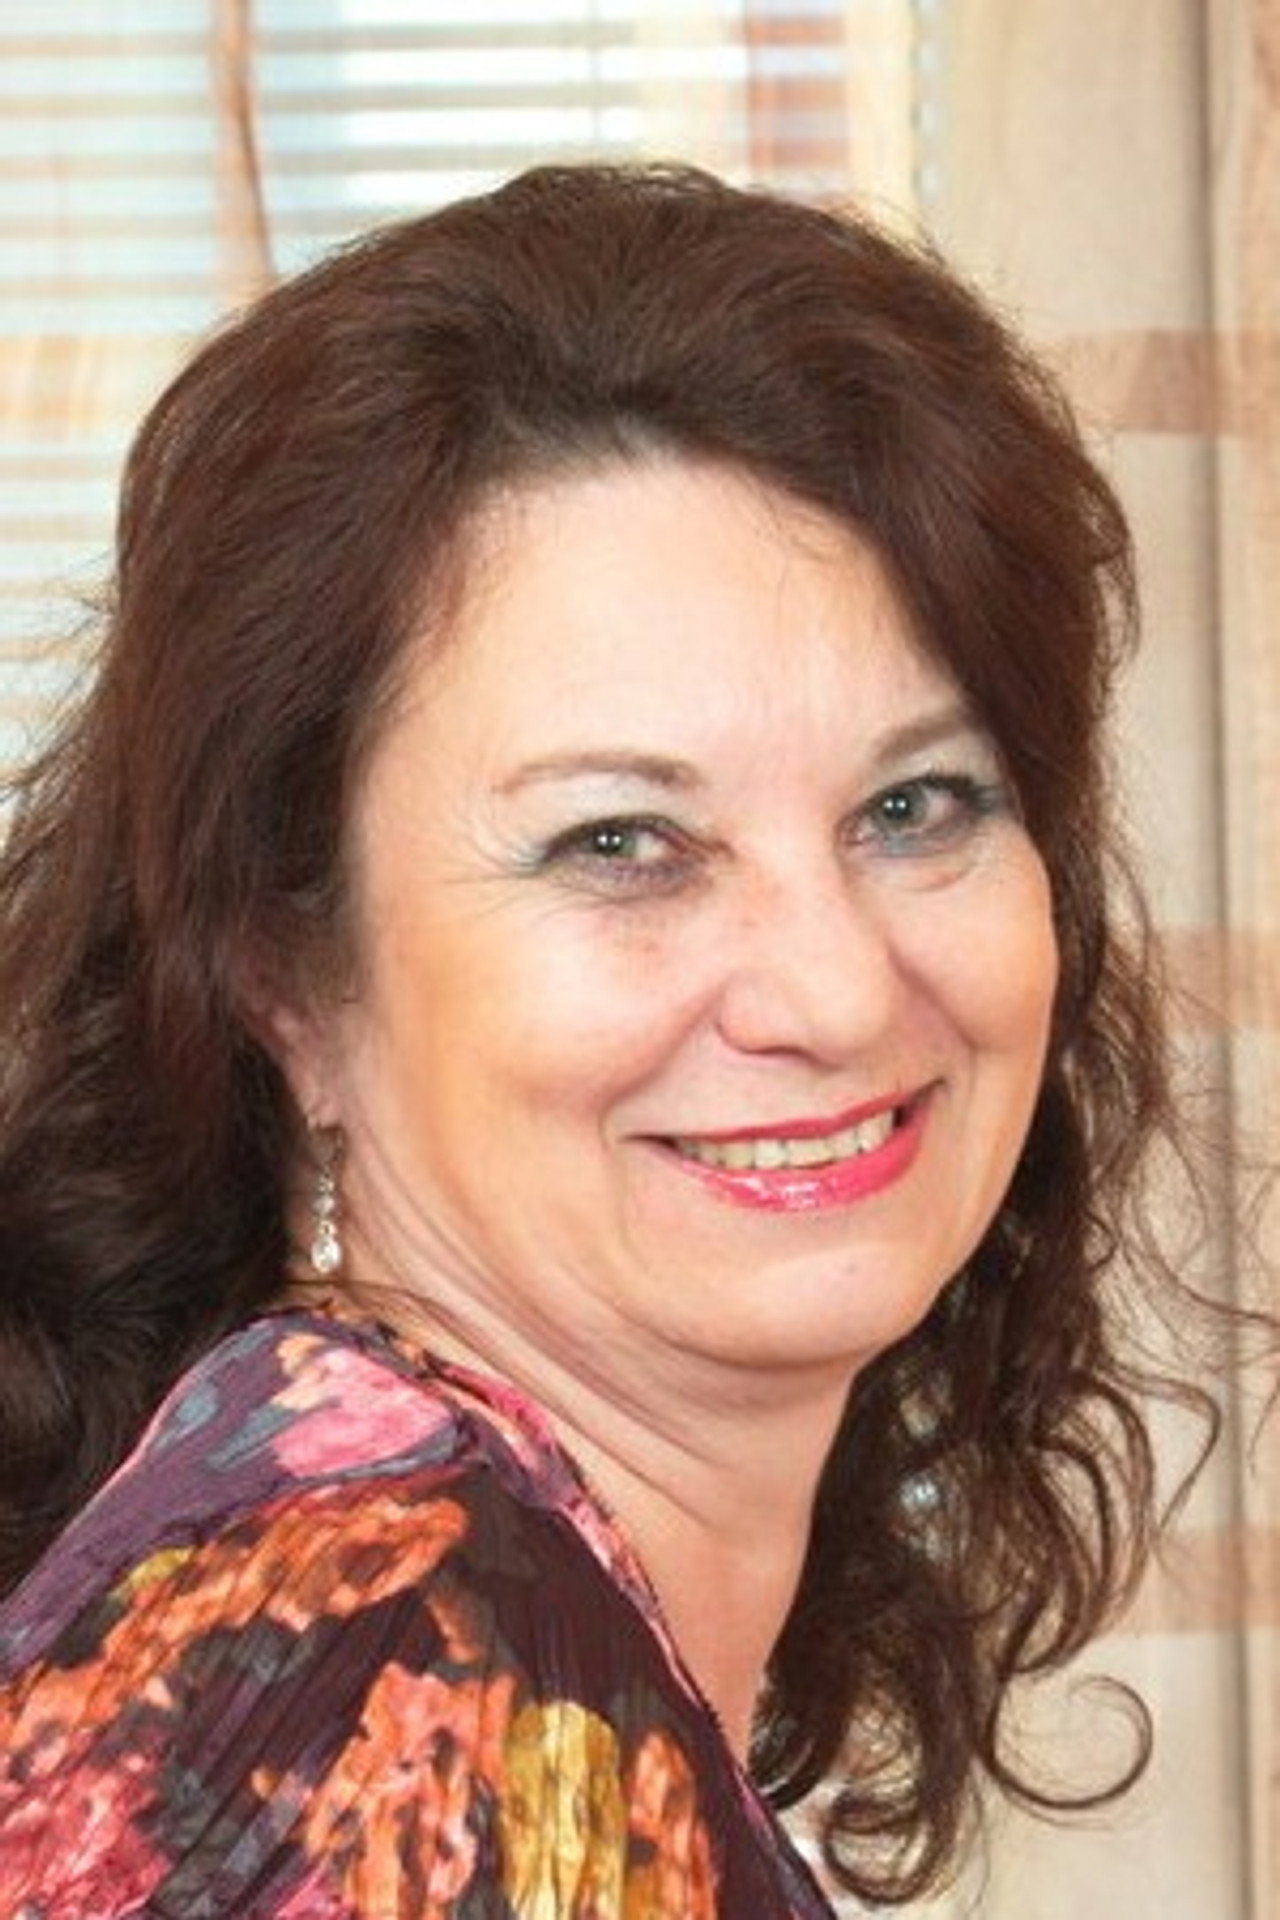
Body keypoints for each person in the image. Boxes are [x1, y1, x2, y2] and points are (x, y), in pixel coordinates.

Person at [0, 161, 1231, 1915]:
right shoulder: (383, 1704)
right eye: (620, 842)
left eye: (915, 804)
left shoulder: (416, 1581)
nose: (835, 992)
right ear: (289, 972)